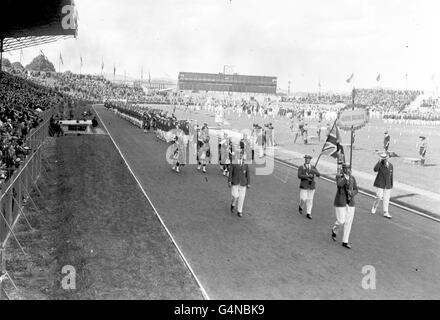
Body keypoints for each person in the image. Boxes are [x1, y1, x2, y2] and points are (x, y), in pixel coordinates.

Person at [331, 163, 358, 249]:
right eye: (345, 168)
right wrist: (346, 178)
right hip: (341, 202)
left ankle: (345, 241)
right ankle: (335, 229)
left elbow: (356, 189)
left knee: (348, 222)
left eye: (348, 168)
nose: (347, 170)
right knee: (341, 221)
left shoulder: (352, 178)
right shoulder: (339, 176)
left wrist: (352, 193)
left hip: (350, 202)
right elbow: (339, 184)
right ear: (342, 169)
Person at [297, 155, 320, 219]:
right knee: (303, 199)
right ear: (305, 159)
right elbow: (299, 175)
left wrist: (314, 171)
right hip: (304, 185)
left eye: (309, 159)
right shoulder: (301, 167)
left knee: (310, 200)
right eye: (306, 158)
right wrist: (307, 176)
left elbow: (319, 174)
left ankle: (308, 213)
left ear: (310, 160)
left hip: (311, 185)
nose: (307, 160)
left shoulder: (313, 167)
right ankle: (301, 206)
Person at [228, 152, 251, 218]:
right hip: (235, 182)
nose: (241, 156)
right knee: (235, 196)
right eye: (239, 155)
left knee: (241, 198)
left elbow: (248, 174)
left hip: (243, 183)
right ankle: (233, 204)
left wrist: (248, 183)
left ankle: (239, 211)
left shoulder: (246, 164)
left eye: (242, 155)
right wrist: (229, 181)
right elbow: (230, 173)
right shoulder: (233, 162)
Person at [371, 153, 393, 219]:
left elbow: (391, 175)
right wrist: (379, 161)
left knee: (386, 199)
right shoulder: (380, 164)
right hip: (380, 183)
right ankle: (374, 206)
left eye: (386, 158)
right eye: (384, 158)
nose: (385, 159)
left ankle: (385, 212)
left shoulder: (391, 165)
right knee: (379, 196)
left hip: (387, 184)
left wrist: (391, 184)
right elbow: (375, 169)